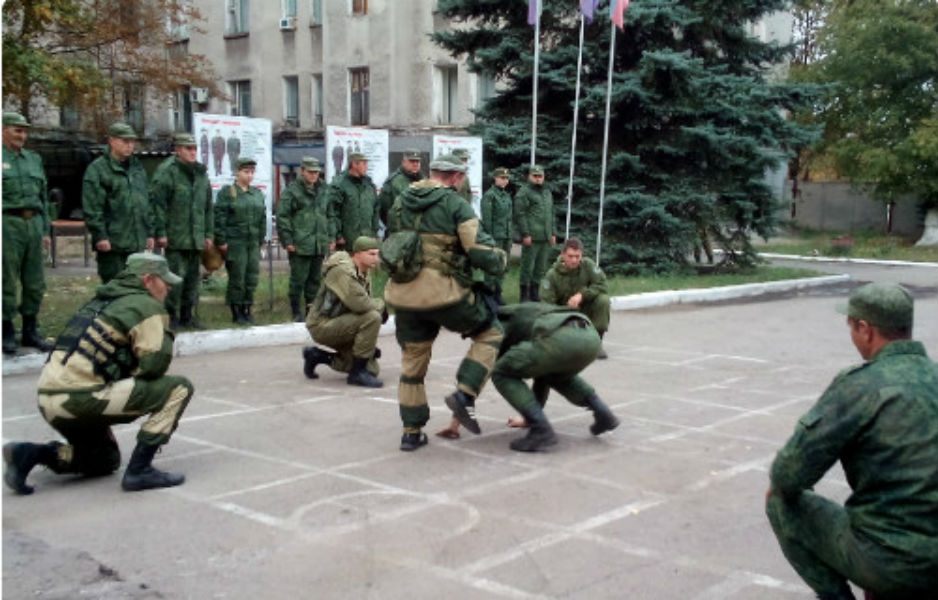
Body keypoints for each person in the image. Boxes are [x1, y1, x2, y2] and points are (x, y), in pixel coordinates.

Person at [766, 283, 938, 600]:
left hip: (891, 561)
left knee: (779, 500)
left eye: (852, 327)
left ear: (865, 329)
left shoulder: (859, 387)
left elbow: (787, 474)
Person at [2, 253, 194, 494]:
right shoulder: (146, 306)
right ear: (147, 280)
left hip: (49, 399)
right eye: (163, 281)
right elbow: (154, 365)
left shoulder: (101, 301)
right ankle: (140, 470)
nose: (168, 286)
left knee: (104, 460)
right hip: (81, 399)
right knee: (178, 388)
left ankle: (31, 454)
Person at [384, 153, 507, 452]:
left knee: (413, 363)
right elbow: (480, 251)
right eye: (461, 177)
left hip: (404, 295)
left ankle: (411, 432)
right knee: (491, 332)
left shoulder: (400, 201)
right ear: (455, 178)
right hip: (445, 294)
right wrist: (501, 260)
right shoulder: (455, 204)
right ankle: (464, 395)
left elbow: (392, 241)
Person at [302, 236, 385, 388]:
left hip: (341, 321)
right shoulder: (342, 271)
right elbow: (361, 305)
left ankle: (316, 356)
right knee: (372, 317)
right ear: (357, 254)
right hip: (322, 325)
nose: (376, 258)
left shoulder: (364, 271)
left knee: (372, 369)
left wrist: (367, 347)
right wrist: (382, 306)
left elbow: (364, 304)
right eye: (371, 254)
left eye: (377, 254)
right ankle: (357, 374)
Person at [150, 132, 214, 330]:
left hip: (195, 238)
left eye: (195, 149)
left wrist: (208, 234)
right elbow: (157, 205)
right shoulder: (167, 172)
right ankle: (172, 316)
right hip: (176, 236)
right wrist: (160, 232)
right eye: (188, 149)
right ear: (177, 150)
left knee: (193, 281)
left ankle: (188, 315)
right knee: (174, 279)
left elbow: (208, 207)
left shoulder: (201, 174)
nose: (193, 152)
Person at [2, 111, 53, 355]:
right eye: (16, 130)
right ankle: (6, 330)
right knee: (6, 280)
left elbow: (43, 195)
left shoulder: (33, 159)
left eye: (24, 131)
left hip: (33, 223)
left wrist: (44, 229)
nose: (22, 135)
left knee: (35, 281)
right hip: (7, 223)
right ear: (3, 130)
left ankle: (31, 331)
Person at [82, 123, 154, 283]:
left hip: (137, 242)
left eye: (132, 141)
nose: (129, 145)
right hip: (113, 243)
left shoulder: (137, 169)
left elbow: (145, 202)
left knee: (136, 288)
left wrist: (149, 232)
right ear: (112, 141)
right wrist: (100, 236)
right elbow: (93, 207)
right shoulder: (99, 169)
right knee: (114, 287)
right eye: (125, 141)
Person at [277, 157, 334, 322]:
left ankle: (311, 310)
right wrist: (287, 240)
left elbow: (330, 215)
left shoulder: (324, 189)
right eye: (310, 172)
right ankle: (295, 311)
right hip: (300, 243)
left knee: (315, 280)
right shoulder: (292, 191)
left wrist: (331, 236)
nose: (314, 175)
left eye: (316, 172)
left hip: (319, 242)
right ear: (302, 171)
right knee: (298, 279)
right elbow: (283, 217)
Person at [214, 157, 266, 325]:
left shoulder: (256, 194)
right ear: (237, 172)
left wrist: (261, 239)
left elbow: (262, 218)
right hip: (235, 243)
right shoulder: (228, 192)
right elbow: (220, 218)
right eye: (246, 172)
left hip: (252, 243)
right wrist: (221, 241)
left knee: (251, 277)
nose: (249, 175)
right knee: (237, 278)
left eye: (252, 172)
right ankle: (236, 313)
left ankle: (247, 310)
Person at [540, 237, 611, 359]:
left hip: (584, 309)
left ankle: (596, 342)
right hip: (564, 315)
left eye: (577, 256)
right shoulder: (552, 275)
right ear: (563, 255)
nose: (574, 260)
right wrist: (564, 311)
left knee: (603, 300)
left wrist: (582, 295)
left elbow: (603, 284)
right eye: (570, 256)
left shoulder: (587, 265)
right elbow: (547, 304)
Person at [513, 164, 555, 301]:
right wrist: (525, 234)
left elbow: (551, 213)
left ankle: (535, 293)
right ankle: (524, 294)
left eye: (540, 176)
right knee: (528, 267)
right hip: (532, 236)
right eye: (535, 176)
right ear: (529, 177)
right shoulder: (524, 193)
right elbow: (520, 214)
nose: (538, 179)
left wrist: (553, 233)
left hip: (545, 236)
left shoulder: (546, 192)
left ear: (544, 177)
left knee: (540, 268)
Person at [327, 151, 379, 250]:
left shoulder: (368, 184)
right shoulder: (340, 184)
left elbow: (375, 208)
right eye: (364, 164)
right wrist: (337, 235)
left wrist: (374, 232)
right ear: (354, 164)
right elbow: (332, 211)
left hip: (366, 238)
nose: (366, 167)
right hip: (347, 239)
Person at [480, 167, 513, 305]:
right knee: (492, 266)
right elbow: (487, 220)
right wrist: (489, 238)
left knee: (502, 266)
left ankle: (498, 293)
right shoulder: (490, 196)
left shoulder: (506, 196)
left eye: (506, 178)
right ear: (495, 178)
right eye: (502, 178)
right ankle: (488, 295)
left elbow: (509, 217)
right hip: (495, 236)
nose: (505, 181)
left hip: (505, 235)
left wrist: (510, 235)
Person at [378, 148, 422, 228]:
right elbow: (383, 208)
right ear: (404, 162)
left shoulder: (423, 180)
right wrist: (394, 226)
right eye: (412, 161)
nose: (415, 164)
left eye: (417, 162)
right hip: (400, 230)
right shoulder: (394, 181)